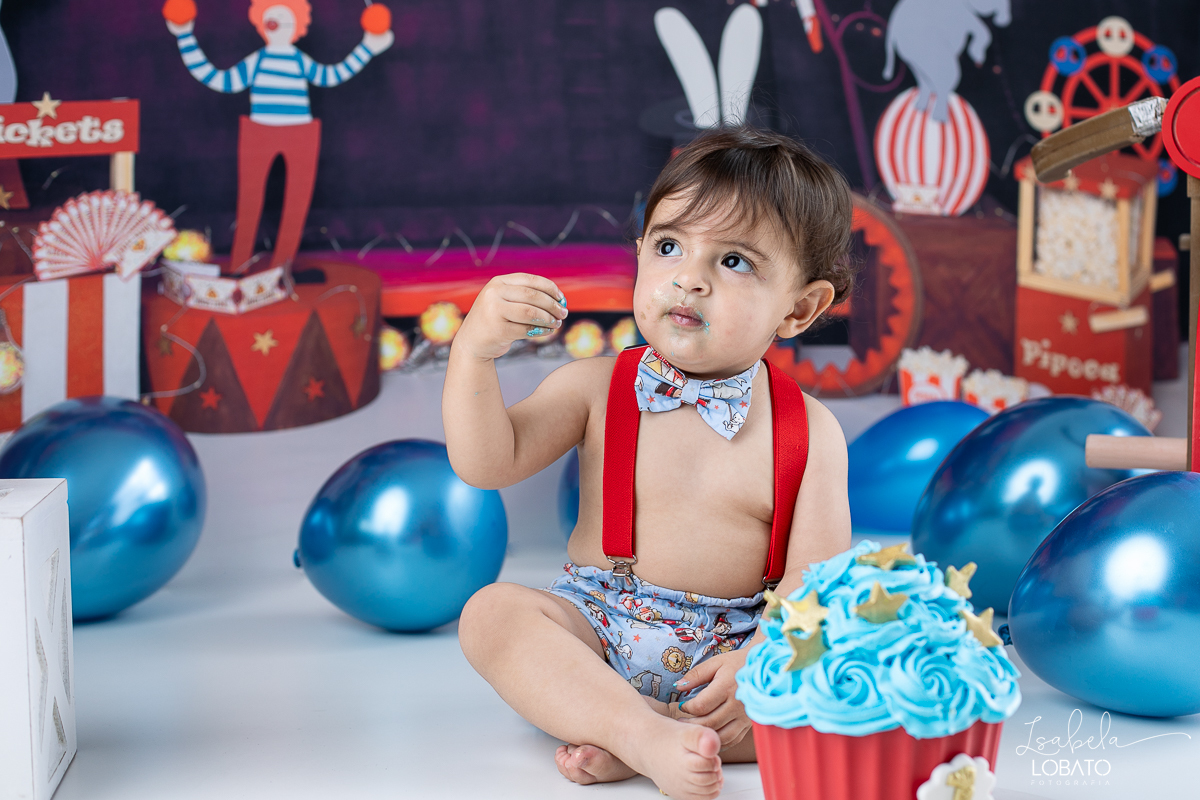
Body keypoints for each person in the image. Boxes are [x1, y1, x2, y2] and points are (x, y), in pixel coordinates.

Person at [444, 127, 855, 800]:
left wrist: (761, 660)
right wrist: (473, 352)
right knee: (491, 615)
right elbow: (488, 463)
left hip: (731, 658)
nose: (689, 278)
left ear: (800, 308)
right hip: (598, 630)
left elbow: (817, 585)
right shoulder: (593, 387)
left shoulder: (809, 431)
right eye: (669, 247)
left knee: (835, 692)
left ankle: (634, 733)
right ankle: (638, 730)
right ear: (639, 256)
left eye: (734, 262)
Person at [165, 0, 393, 271]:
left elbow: (331, 76)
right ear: (261, 24)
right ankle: (239, 266)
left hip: (300, 135)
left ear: (297, 27)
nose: (276, 25)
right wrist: (185, 37)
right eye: (271, 19)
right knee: (249, 202)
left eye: (284, 19)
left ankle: (282, 268)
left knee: (296, 204)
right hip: (259, 133)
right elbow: (220, 80)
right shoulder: (258, 60)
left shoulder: (299, 60)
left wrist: (368, 47)